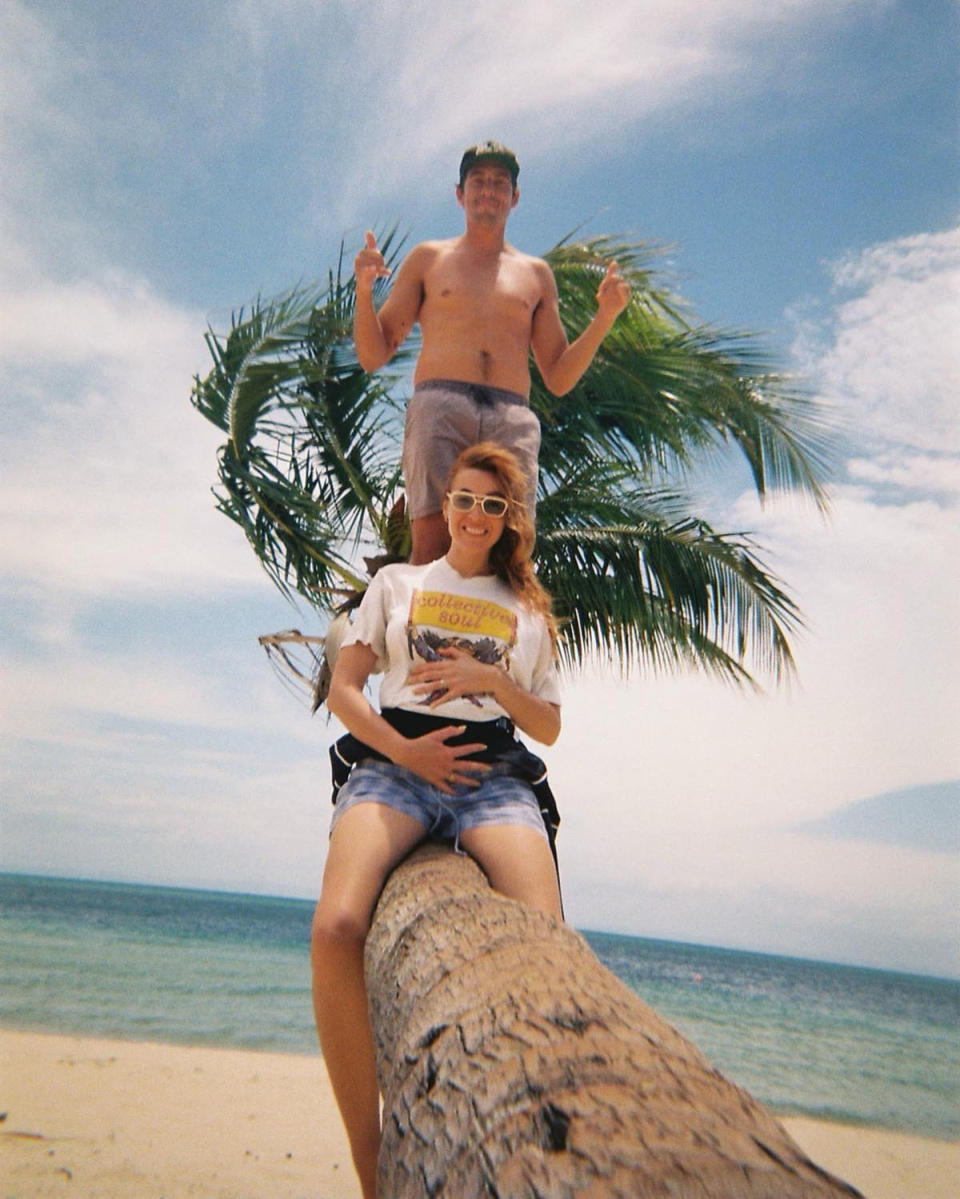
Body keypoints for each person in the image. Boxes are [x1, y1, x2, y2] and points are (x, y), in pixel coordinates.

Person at [311, 442, 564, 1198]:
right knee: (335, 930)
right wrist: (407, 753)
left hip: (491, 777)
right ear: (441, 503)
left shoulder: (527, 611)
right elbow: (347, 690)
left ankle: (524, 1135)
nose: (477, 515)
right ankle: (369, 1155)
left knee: (546, 943)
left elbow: (547, 724)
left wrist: (490, 678)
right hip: (395, 764)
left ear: (508, 518)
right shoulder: (398, 583)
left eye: (493, 504)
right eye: (464, 498)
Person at [353, 139, 632, 564]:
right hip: (439, 406)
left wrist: (606, 317)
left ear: (515, 197)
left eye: (500, 183)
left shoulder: (537, 274)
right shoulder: (428, 259)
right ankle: (423, 632)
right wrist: (364, 290)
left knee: (512, 550)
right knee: (431, 542)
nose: (489, 190)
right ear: (460, 194)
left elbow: (557, 376)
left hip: (511, 414)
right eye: (478, 181)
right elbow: (374, 355)